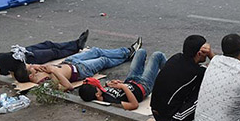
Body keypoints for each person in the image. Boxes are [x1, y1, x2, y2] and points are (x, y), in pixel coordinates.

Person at [14, 37, 143, 92]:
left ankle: (125, 51)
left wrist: (37, 67)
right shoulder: (44, 83)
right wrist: (53, 70)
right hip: (80, 70)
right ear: (31, 76)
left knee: (95, 51)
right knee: (103, 60)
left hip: (70, 62)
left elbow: (28, 66)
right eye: (30, 69)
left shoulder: (34, 71)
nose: (32, 67)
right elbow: (68, 87)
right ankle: (128, 54)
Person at [0, 30, 89, 75]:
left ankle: (75, 42)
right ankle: (76, 47)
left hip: (23, 51)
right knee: (53, 52)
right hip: (28, 60)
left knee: (48, 43)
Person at [151, 35, 214, 121]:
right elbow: (219, 68)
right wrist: (211, 54)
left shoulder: (176, 58)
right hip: (170, 119)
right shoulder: (196, 72)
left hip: (156, 112)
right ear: (199, 53)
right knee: (205, 94)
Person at [79, 48, 166, 110]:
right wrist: (123, 87)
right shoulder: (111, 102)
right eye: (97, 86)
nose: (100, 85)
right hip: (143, 86)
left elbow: (117, 87)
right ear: (97, 95)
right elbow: (134, 105)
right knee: (157, 55)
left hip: (131, 80)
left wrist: (115, 83)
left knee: (140, 52)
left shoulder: (101, 92)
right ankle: (174, 77)